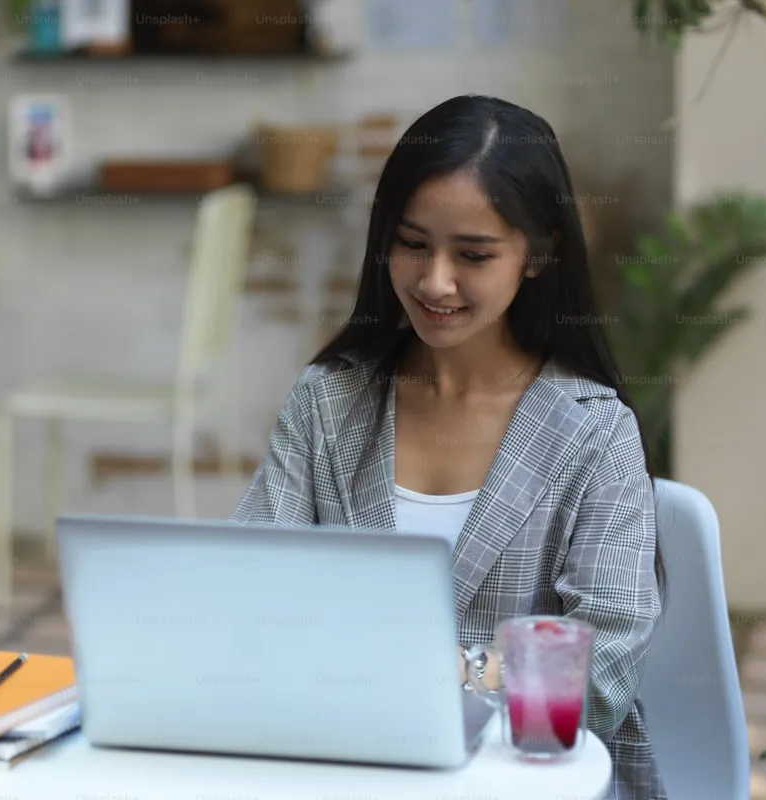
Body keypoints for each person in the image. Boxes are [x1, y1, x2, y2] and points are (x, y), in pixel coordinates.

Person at [232, 94, 667, 800]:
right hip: (348, 768)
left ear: (539, 254)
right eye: (412, 244)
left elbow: (601, 668)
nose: (435, 281)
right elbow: (249, 588)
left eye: (473, 254)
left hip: (526, 782)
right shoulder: (328, 401)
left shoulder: (592, 430)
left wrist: (416, 677)